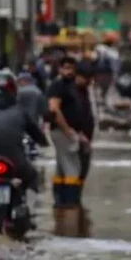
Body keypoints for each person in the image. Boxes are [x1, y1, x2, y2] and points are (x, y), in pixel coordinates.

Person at [0, 70, 50, 226]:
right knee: (32, 177)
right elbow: (36, 133)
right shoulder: (20, 110)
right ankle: (29, 212)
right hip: (15, 161)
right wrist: (43, 142)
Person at [46, 57, 83, 207]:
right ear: (60, 69)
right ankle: (70, 202)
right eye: (66, 68)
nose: (70, 71)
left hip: (66, 131)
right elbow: (54, 109)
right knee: (72, 167)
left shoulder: (70, 85)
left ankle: (60, 201)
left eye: (72, 68)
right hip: (62, 131)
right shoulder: (58, 85)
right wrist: (67, 130)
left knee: (62, 166)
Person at [62, 60, 97, 205]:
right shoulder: (71, 92)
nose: (89, 82)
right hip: (74, 138)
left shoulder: (84, 91)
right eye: (87, 79)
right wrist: (78, 133)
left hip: (85, 138)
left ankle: (75, 200)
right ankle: (70, 201)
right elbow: (69, 115)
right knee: (74, 170)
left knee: (82, 170)